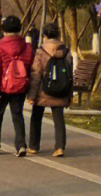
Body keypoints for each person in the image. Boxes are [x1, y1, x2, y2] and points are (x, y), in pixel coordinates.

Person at [0, 15, 33, 157]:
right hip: (20, 86)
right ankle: (21, 145)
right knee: (18, 115)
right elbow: (30, 68)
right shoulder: (27, 47)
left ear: (4, 30)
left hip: (3, 87)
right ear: (19, 29)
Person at [27, 21, 73, 157]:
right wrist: (70, 95)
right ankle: (60, 147)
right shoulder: (66, 51)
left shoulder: (41, 51)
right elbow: (70, 74)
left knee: (36, 117)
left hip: (43, 90)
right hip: (61, 89)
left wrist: (31, 95)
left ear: (45, 36)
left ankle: (34, 146)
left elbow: (36, 74)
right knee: (59, 118)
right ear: (58, 35)